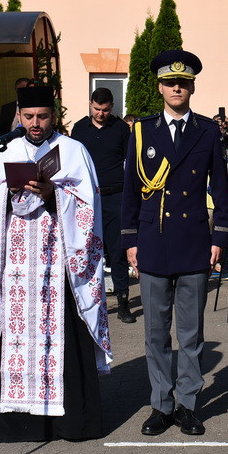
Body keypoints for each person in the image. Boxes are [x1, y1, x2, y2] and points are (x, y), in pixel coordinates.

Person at [0, 85, 112, 443]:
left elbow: (90, 205)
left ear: (54, 116)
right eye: (29, 116)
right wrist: (6, 194)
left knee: (65, 336)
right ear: (19, 115)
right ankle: (20, 425)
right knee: (15, 335)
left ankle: (72, 424)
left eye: (43, 117)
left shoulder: (73, 150)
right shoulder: (4, 151)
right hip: (16, 265)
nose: (35, 123)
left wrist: (54, 195)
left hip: (60, 265)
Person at [121, 50, 228, 437]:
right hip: (153, 241)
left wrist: (220, 237)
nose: (177, 88)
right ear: (160, 87)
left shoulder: (207, 131)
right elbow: (131, 191)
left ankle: (187, 404)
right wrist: (130, 239)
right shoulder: (142, 131)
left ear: (192, 87)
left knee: (190, 334)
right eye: (170, 82)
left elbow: (221, 189)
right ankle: (160, 404)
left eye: (183, 83)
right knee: (155, 333)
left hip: (194, 242)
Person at [71, 87, 134, 322]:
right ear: (90, 104)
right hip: (87, 198)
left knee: (117, 252)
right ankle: (87, 304)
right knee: (86, 251)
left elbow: (132, 162)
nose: (101, 114)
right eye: (97, 109)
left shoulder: (120, 129)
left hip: (115, 197)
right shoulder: (79, 129)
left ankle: (123, 302)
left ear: (112, 107)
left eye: (105, 110)